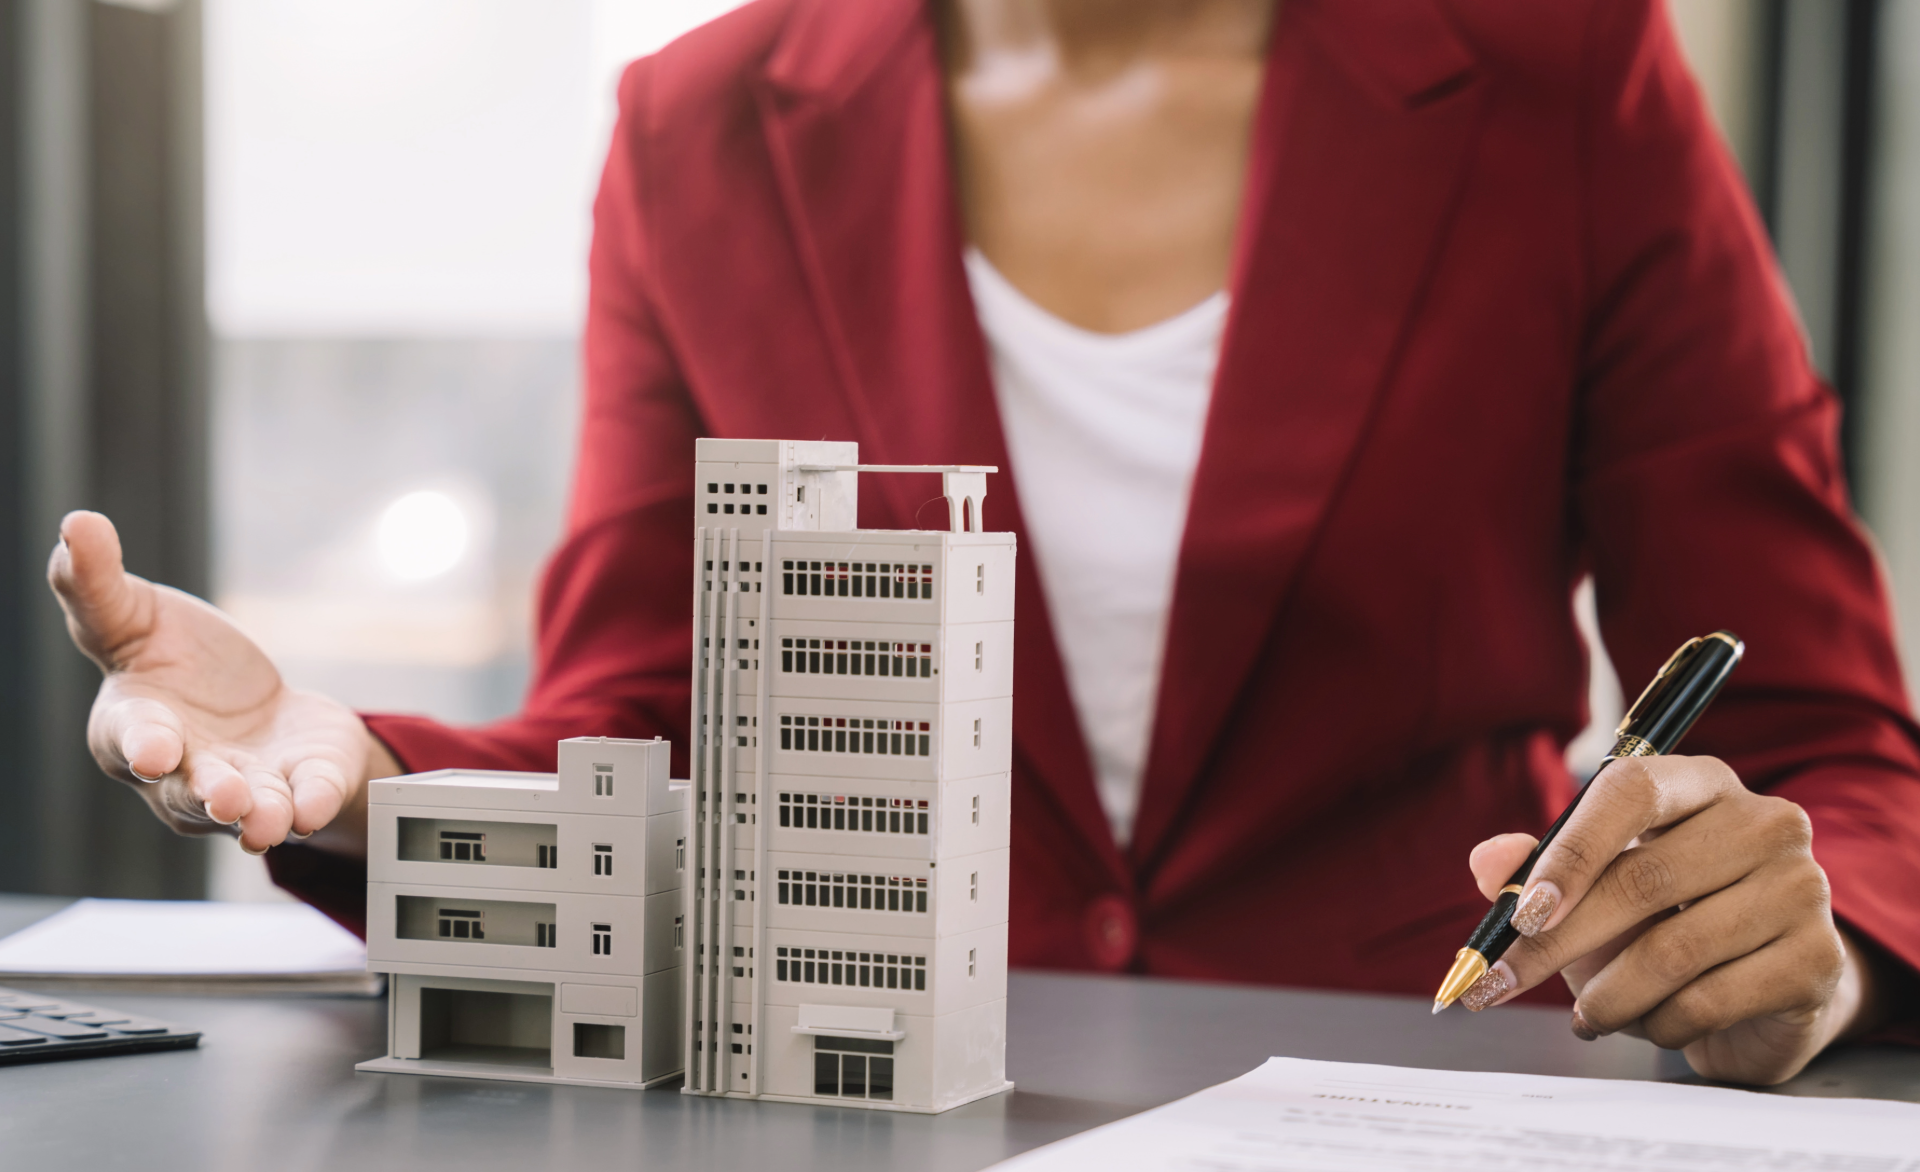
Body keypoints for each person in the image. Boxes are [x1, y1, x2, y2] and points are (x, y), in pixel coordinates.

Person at [47, 0, 1920, 1086]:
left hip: (1410, 1103)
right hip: (881, 1114)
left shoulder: (1563, 82)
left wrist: (1806, 949)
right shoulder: (702, 124)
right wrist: (363, 775)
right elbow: (646, 710)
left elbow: (1831, 740)